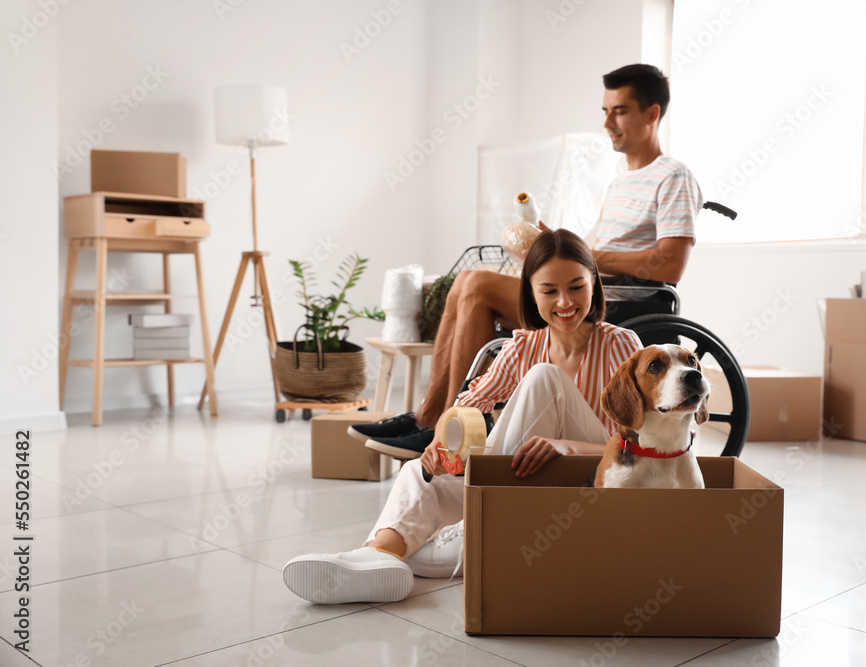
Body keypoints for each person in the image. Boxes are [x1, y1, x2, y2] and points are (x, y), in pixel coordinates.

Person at [354, 62, 703, 459]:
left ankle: (437, 424)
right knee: (466, 280)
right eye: (605, 111)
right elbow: (592, 254)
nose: (608, 122)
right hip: (597, 287)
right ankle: (429, 416)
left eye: (619, 110)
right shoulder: (620, 180)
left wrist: (582, 259)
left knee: (479, 284)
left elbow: (669, 264)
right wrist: (549, 244)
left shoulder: (672, 176)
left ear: (652, 113)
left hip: (629, 302)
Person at [283, 230, 643, 604]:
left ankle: (474, 527)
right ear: (531, 293)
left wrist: (565, 446)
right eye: (549, 291)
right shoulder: (522, 347)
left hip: (587, 482)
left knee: (543, 377)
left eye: (576, 287)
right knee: (418, 476)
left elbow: (643, 446)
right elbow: (466, 406)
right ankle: (376, 556)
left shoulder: (623, 346)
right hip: (521, 479)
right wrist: (440, 445)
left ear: (594, 286)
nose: (564, 302)